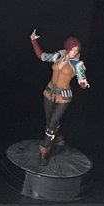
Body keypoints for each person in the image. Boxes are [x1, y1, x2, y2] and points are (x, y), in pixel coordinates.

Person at [29, 30, 88, 165]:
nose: (74, 53)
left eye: (76, 51)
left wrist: (84, 83)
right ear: (67, 49)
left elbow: (82, 79)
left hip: (63, 96)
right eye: (72, 50)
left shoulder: (77, 64)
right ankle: (59, 139)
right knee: (50, 121)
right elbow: (41, 56)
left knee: (52, 124)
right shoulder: (58, 57)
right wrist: (33, 40)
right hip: (49, 93)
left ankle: (44, 150)